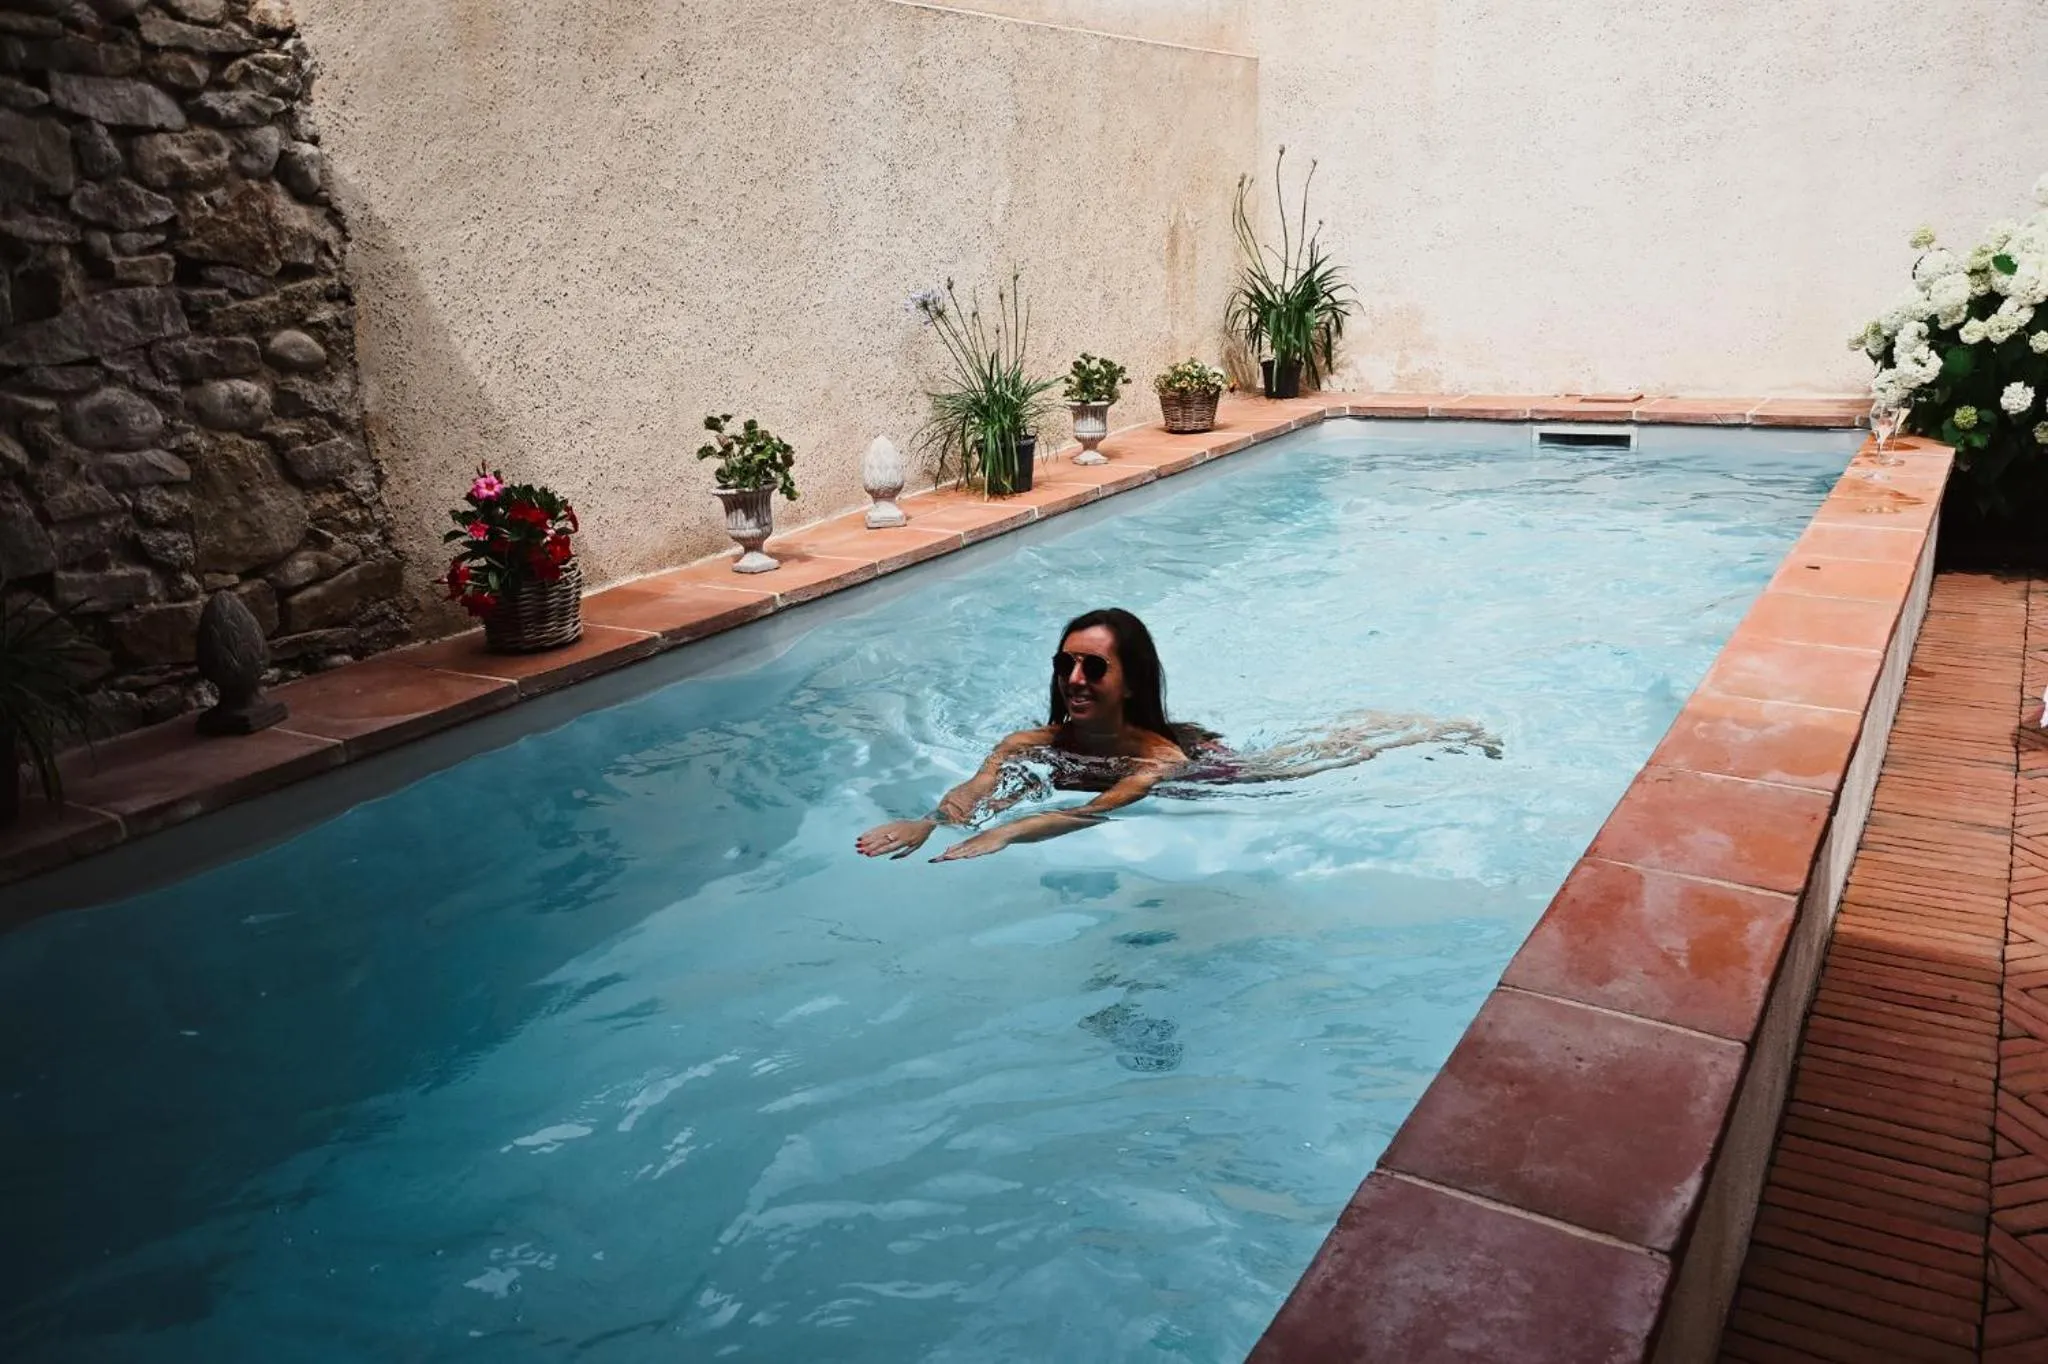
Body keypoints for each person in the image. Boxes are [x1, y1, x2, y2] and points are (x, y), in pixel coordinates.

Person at [855, 608, 1191, 862]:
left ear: (1132, 683)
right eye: (1065, 665)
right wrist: (929, 822)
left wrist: (1006, 833)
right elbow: (979, 788)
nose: (1074, 679)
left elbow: (1089, 812)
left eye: (1094, 667)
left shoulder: (1161, 760)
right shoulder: (1027, 744)